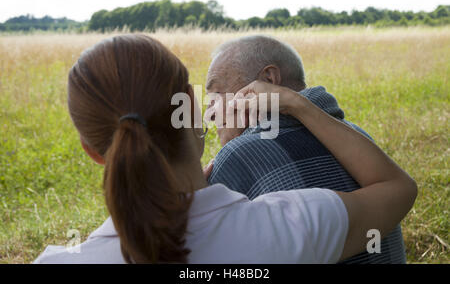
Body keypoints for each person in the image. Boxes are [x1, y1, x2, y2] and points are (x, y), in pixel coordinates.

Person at [34, 34, 417, 264]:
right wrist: (298, 105)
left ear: (93, 151)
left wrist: (238, 153)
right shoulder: (294, 223)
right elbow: (397, 188)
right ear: (189, 107)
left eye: (216, 90)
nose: (214, 107)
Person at [206, 35, 407, 263]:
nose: (210, 113)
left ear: (269, 79)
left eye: (217, 94)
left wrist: (231, 150)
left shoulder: (240, 156)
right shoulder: (357, 137)